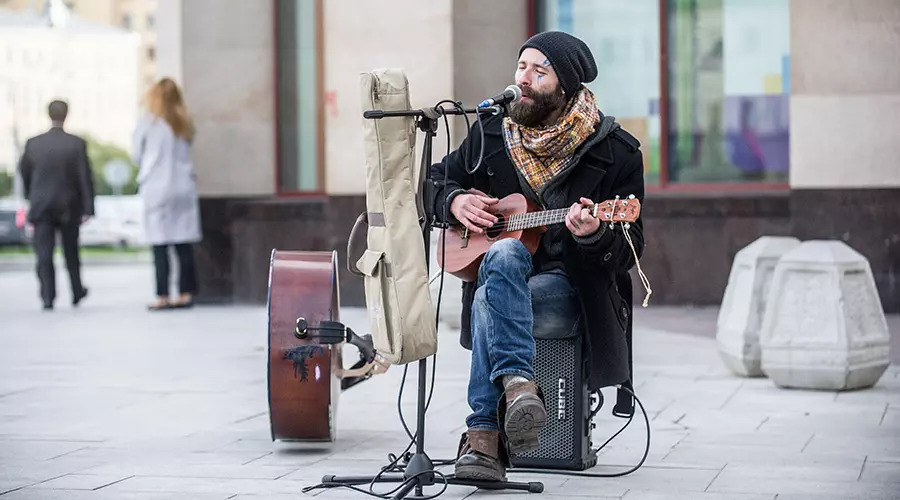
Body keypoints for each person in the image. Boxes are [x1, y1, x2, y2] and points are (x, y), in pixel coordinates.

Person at [431, 31, 645, 481]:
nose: (523, 79)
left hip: (569, 287)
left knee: (493, 292)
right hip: (505, 274)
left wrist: (592, 235)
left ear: (564, 86)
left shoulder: (615, 150)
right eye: (521, 66)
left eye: (538, 71)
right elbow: (433, 181)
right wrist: (453, 201)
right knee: (505, 255)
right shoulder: (492, 131)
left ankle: (483, 437)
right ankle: (520, 386)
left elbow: (631, 248)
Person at [132, 78, 201, 311]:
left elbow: (136, 154)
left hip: (157, 187)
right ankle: (185, 293)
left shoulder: (148, 122)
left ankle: (162, 295)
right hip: (183, 186)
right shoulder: (185, 122)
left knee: (159, 243)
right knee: (183, 244)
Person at [19, 100, 94, 310]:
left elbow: (24, 174)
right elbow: (84, 177)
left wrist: (31, 196)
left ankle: (47, 297)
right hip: (69, 206)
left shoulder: (33, 143)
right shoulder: (76, 143)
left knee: (44, 254)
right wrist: (88, 208)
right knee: (71, 251)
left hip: (41, 205)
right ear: (67, 114)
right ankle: (77, 291)